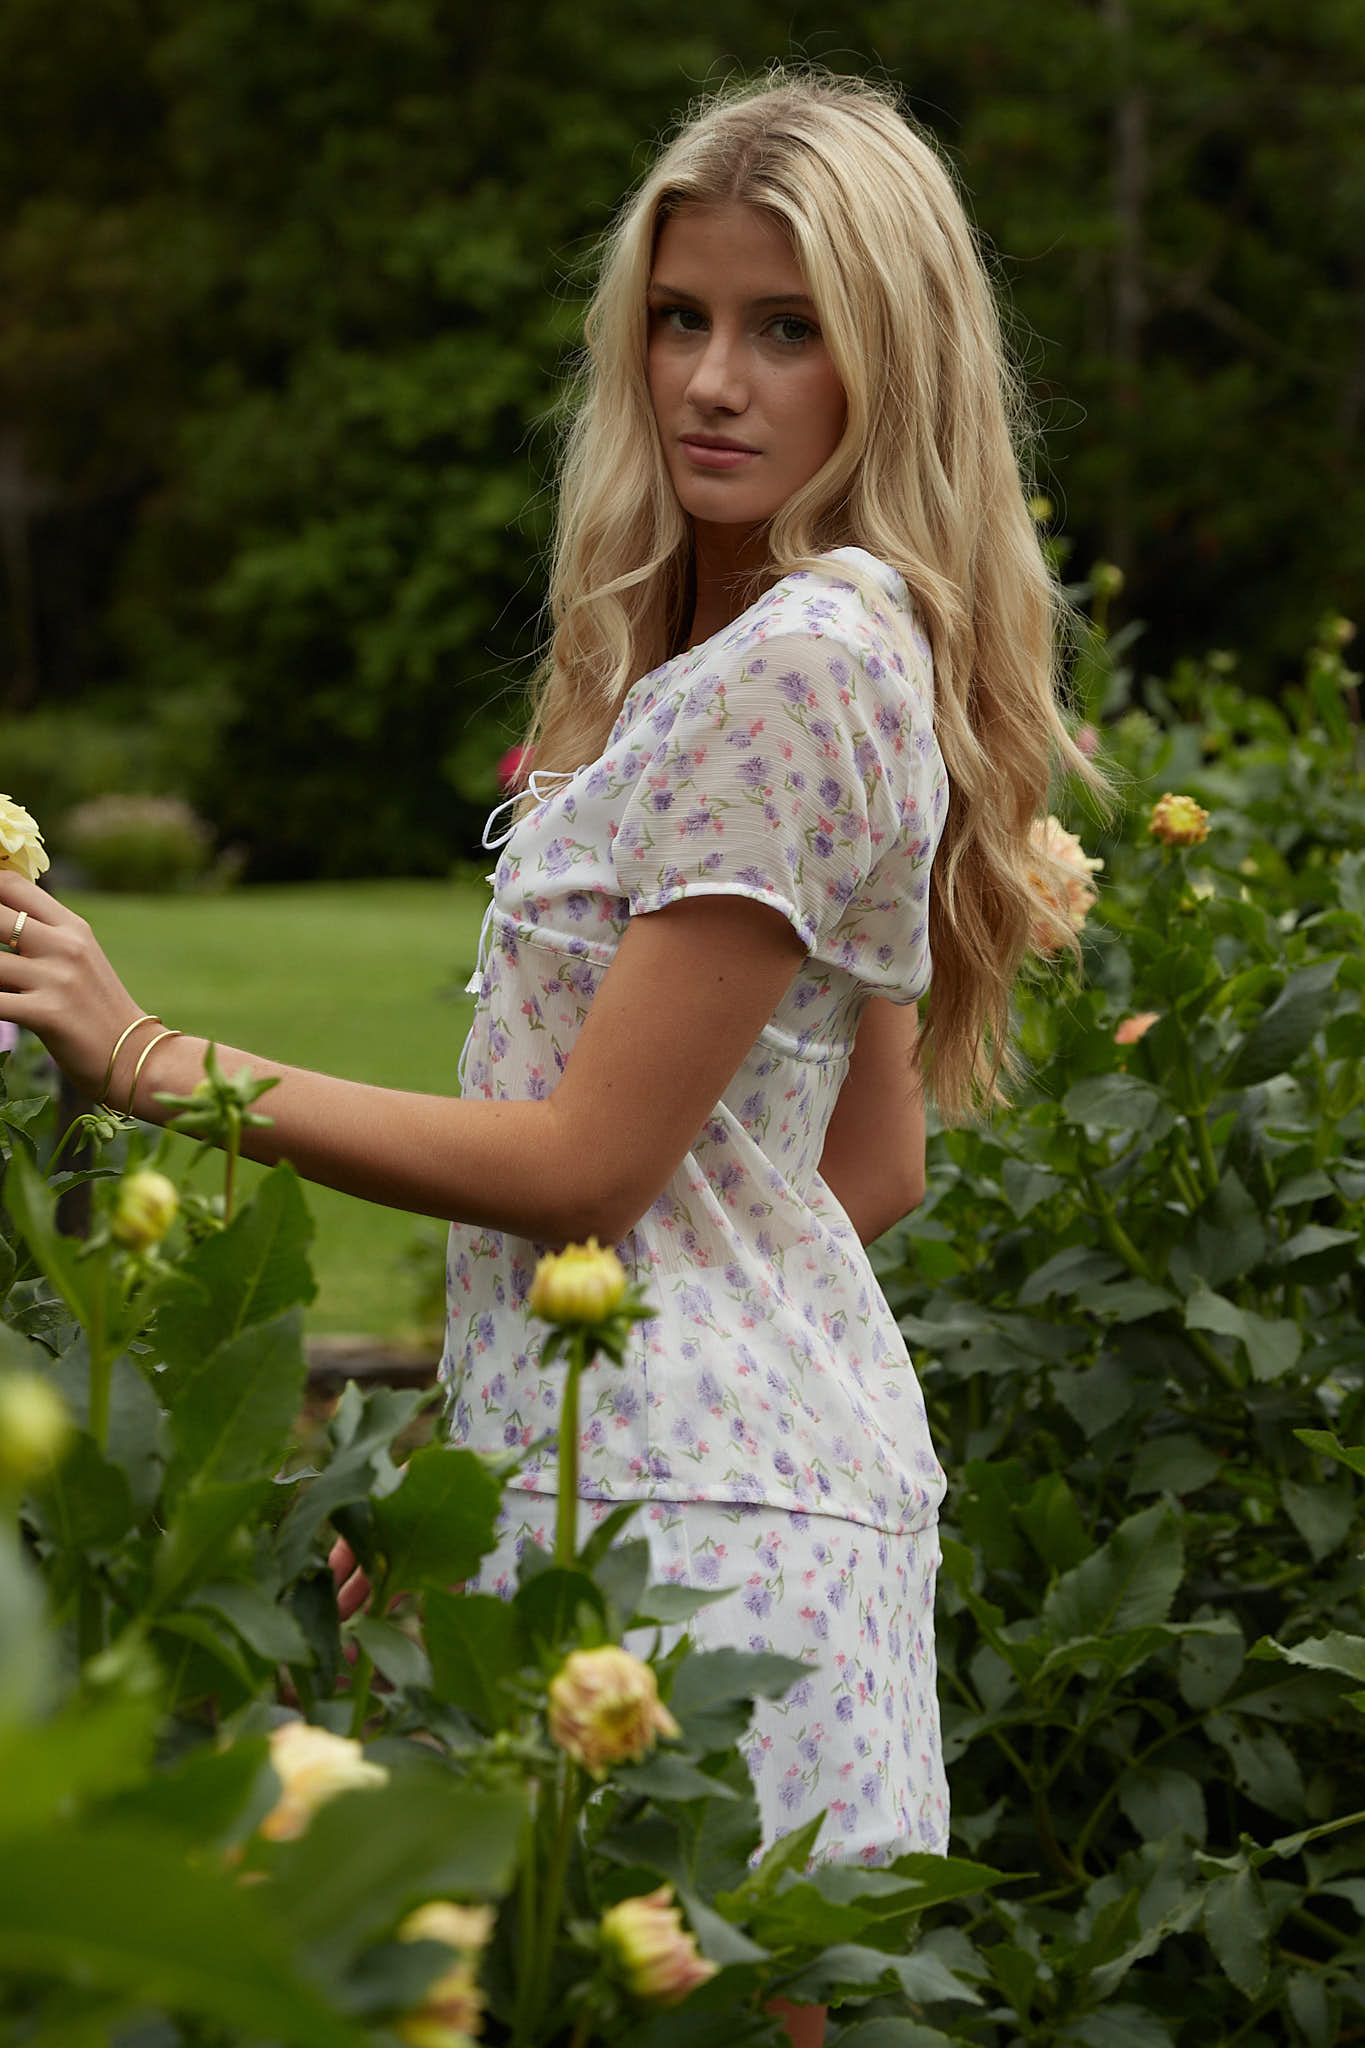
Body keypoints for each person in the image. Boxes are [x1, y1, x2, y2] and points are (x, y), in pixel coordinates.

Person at [0, 70, 1090, 1902]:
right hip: (731, 1498)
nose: (709, 381)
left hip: (696, 1550)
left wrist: (145, 1058)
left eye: (784, 330)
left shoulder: (792, 671)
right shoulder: (825, 641)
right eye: (679, 319)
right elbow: (868, 1163)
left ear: (890, 361)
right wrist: (504, 1417)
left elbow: (593, 1167)